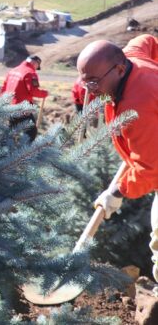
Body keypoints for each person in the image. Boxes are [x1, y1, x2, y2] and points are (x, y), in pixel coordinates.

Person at [80, 35, 158, 281]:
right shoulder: (130, 56)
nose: (91, 90)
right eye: (85, 82)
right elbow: (148, 40)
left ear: (120, 69)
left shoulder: (138, 109)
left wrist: (117, 192)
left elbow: (150, 170)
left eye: (94, 81)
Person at [0, 55, 48, 141]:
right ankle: (25, 152)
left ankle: (6, 150)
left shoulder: (12, 71)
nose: (36, 69)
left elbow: (3, 88)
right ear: (35, 63)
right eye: (37, 66)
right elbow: (33, 91)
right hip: (22, 107)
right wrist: (44, 93)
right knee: (31, 132)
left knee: (11, 131)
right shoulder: (30, 73)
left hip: (8, 106)